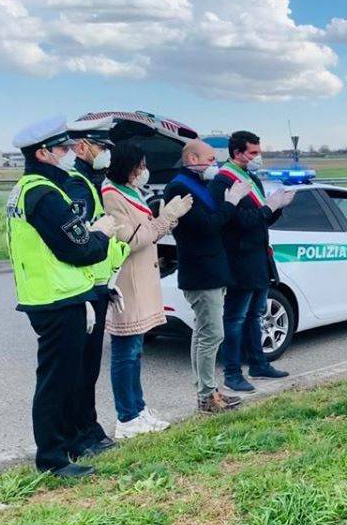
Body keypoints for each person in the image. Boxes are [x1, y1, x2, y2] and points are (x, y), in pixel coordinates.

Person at [7, 117, 123, 477]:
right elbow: (80, 250)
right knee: (56, 382)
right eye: (62, 149)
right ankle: (52, 459)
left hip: (58, 296)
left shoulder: (31, 189)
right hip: (57, 301)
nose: (70, 153)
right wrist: (102, 234)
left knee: (65, 377)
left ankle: (68, 443)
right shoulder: (44, 195)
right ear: (42, 153)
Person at [102, 142, 193, 439]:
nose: (143, 171)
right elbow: (130, 239)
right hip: (128, 283)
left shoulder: (130, 191)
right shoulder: (112, 195)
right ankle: (126, 418)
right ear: (125, 167)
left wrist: (163, 220)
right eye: (138, 166)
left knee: (135, 351)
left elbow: (148, 232)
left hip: (142, 279)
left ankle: (138, 410)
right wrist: (165, 218)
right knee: (125, 353)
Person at [62, 116, 130, 459]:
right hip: (85, 288)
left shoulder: (91, 180)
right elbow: (81, 243)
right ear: (83, 146)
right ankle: (81, 434)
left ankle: (87, 429)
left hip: (98, 285)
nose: (106, 153)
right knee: (82, 368)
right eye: (102, 147)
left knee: (88, 366)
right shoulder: (77, 185)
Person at [164, 140, 249, 413]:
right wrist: (231, 203)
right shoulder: (179, 187)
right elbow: (206, 226)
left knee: (203, 333)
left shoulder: (196, 184)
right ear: (192, 158)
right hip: (202, 271)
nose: (214, 165)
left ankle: (207, 390)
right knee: (212, 334)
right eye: (210, 159)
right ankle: (206, 396)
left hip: (210, 269)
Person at [208, 131, 294, 393]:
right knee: (235, 318)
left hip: (258, 258)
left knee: (256, 314)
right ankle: (232, 373)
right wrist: (268, 207)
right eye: (253, 153)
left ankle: (258, 363)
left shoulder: (252, 177)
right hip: (239, 259)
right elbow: (239, 222)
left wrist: (277, 207)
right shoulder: (223, 182)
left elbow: (261, 219)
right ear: (237, 154)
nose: (258, 157)